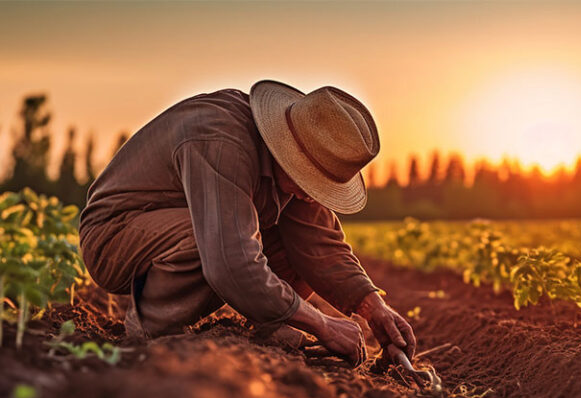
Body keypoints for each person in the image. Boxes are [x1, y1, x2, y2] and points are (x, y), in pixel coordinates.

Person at [78, 80, 416, 367]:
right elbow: (230, 261)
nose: (315, 196)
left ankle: (272, 326)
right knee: (215, 235)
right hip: (115, 235)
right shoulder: (222, 142)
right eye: (314, 183)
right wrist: (322, 324)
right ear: (289, 153)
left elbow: (320, 245)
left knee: (292, 245)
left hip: (181, 227)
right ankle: (152, 332)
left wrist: (374, 308)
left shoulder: (295, 166)